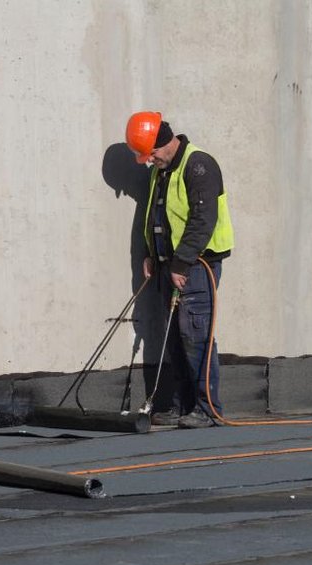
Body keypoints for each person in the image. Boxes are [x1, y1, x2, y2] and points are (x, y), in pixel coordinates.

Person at [125, 112, 235, 429]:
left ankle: (206, 407)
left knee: (196, 334)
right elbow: (156, 214)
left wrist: (180, 263)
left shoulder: (198, 166)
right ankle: (180, 404)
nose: (150, 161)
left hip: (196, 267)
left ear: (163, 144)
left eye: (152, 154)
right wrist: (151, 253)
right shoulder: (162, 170)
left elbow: (203, 221)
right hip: (168, 266)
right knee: (174, 336)